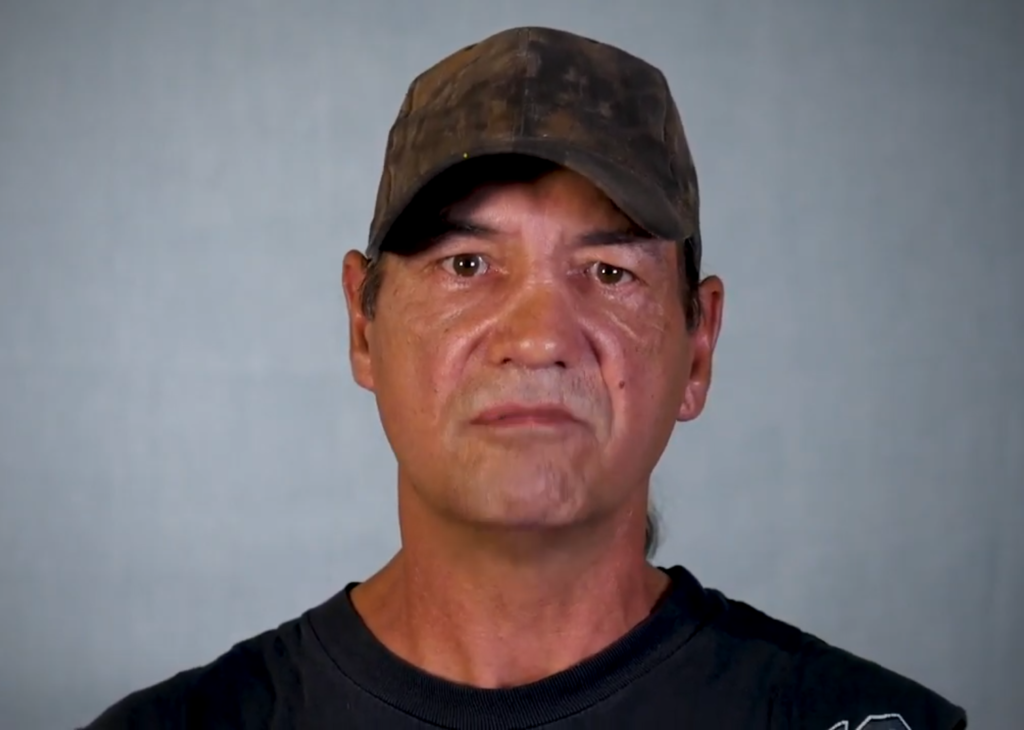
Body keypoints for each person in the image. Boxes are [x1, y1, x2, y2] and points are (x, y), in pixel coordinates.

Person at [81, 26, 967, 730]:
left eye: (610, 273)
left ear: (698, 351)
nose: (539, 338)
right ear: (363, 323)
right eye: (467, 265)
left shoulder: (855, 722)